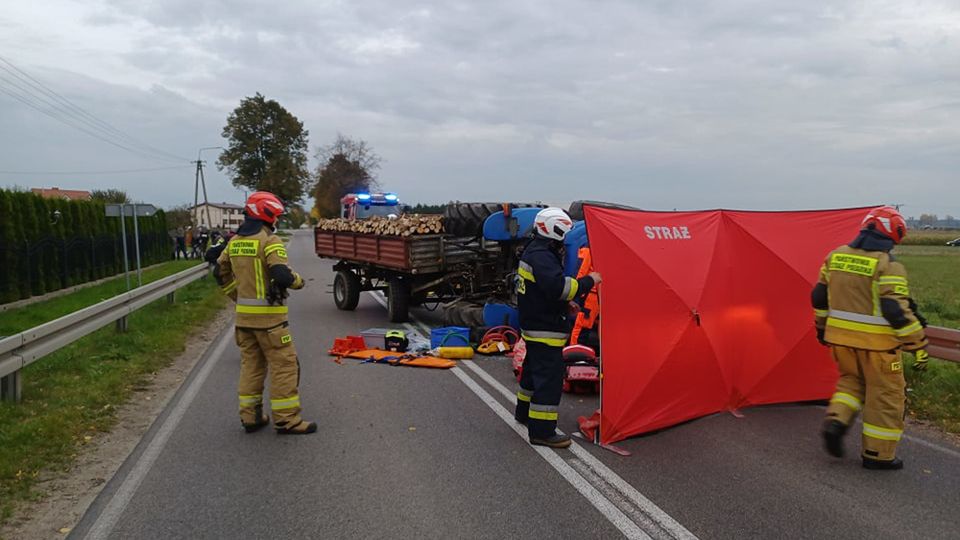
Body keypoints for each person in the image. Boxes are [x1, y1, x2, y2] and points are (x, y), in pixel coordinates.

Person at [813, 206, 929, 470]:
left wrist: (821, 329)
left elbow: (818, 297)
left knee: (851, 384)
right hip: (879, 348)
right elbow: (895, 310)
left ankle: (836, 422)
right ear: (893, 235)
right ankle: (878, 454)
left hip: (841, 342)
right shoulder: (889, 265)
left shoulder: (835, 257)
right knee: (885, 397)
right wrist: (918, 344)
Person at [214, 191, 315, 435]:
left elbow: (220, 272)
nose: (277, 221)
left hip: (244, 320)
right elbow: (281, 275)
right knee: (284, 366)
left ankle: (251, 417)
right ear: (267, 214)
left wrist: (237, 297)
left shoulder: (235, 241)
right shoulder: (270, 241)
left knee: (252, 366)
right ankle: (287, 420)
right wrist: (299, 281)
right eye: (276, 216)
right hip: (271, 323)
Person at [514, 207, 600, 448]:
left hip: (533, 324)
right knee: (549, 380)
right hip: (546, 328)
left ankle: (523, 413)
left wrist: (565, 303)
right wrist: (589, 281)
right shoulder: (542, 256)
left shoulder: (534, 250)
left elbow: (543, 289)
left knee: (531, 374)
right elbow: (559, 288)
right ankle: (542, 431)